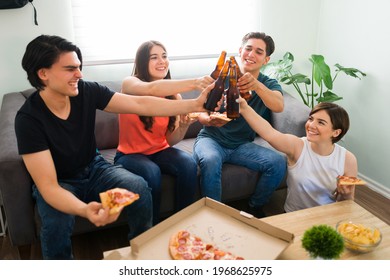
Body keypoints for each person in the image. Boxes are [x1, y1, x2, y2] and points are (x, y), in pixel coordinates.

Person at [14, 35, 214, 259]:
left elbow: (139, 103)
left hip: (95, 168)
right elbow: (49, 187)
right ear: (44, 74)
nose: (79, 75)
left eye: (79, 67)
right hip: (60, 181)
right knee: (56, 221)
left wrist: (196, 103)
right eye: (70, 69)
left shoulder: (87, 91)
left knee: (138, 187)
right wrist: (84, 209)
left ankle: (143, 252)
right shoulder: (28, 119)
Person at [115, 40, 213, 224]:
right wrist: (196, 82)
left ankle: (181, 222)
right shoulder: (130, 84)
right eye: (154, 57)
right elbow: (151, 88)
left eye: (164, 56)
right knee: (151, 172)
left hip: (160, 151)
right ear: (143, 62)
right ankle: (151, 227)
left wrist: (183, 126)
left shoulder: (174, 96)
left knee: (188, 164)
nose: (162, 61)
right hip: (129, 154)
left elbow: (170, 140)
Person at [193, 32, 286, 218]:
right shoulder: (222, 77)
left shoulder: (268, 84)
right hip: (211, 139)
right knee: (210, 160)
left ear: (266, 59)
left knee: (278, 162)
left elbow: (278, 105)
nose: (251, 54)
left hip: (241, 145)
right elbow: (199, 109)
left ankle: (255, 208)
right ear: (241, 51)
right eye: (248, 49)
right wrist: (206, 119)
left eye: (259, 52)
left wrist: (257, 86)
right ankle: (213, 214)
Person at [237, 100, 358, 212]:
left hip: (326, 217)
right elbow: (269, 133)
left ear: (336, 132)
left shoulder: (348, 160)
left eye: (321, 122)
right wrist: (244, 108)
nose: (311, 125)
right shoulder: (297, 147)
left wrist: (345, 194)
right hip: (293, 215)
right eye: (311, 119)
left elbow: (347, 202)